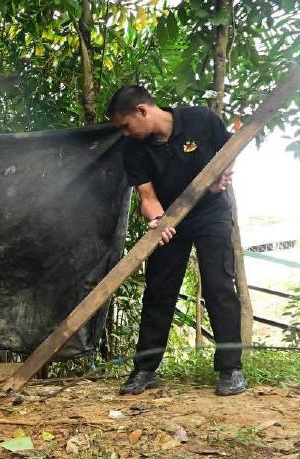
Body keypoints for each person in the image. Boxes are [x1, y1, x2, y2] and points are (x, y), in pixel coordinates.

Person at [108, 84, 246, 396]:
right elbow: (147, 196)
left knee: (219, 285)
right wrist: (157, 221)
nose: (125, 133)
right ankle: (145, 370)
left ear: (143, 111)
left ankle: (230, 368)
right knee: (159, 290)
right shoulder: (133, 147)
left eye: (126, 125)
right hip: (169, 218)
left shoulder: (199, 119)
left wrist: (220, 177)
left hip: (211, 214)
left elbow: (228, 153)